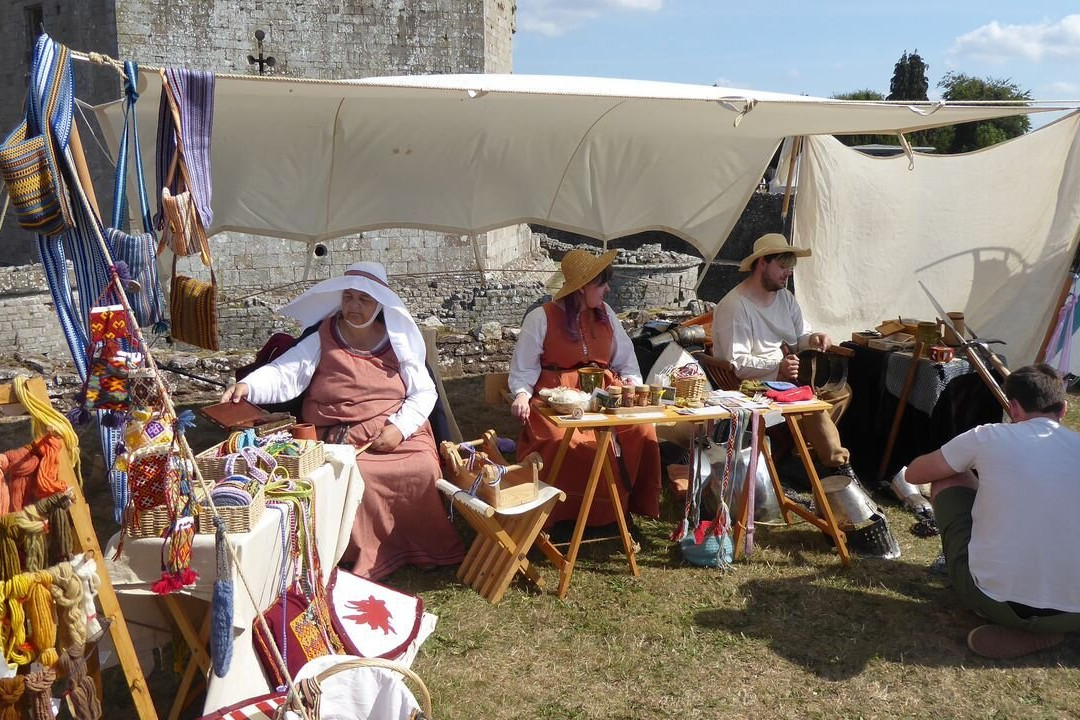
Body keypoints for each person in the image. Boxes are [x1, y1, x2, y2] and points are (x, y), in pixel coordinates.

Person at [221, 261, 464, 580]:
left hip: (397, 429)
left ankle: (424, 546)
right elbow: (286, 372)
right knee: (358, 476)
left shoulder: (398, 339)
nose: (354, 306)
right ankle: (368, 553)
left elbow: (423, 392)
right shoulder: (323, 336)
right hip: (343, 436)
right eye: (348, 297)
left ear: (380, 304)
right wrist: (249, 386)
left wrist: (399, 429)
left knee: (422, 468)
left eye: (364, 299)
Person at [906, 364, 1080, 659]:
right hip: (1074, 612)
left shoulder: (988, 437)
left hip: (995, 601)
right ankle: (1055, 626)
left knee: (947, 477)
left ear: (1014, 408)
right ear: (1063, 409)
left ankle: (1028, 626)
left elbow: (915, 474)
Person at [508, 248, 661, 528]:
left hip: (605, 393)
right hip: (557, 397)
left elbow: (625, 359)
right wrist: (520, 393)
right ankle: (564, 514)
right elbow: (524, 367)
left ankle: (624, 504)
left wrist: (631, 383)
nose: (607, 289)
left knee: (642, 429)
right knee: (565, 440)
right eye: (601, 284)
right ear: (582, 288)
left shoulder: (606, 314)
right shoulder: (541, 318)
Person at [711, 232, 856, 478]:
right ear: (762, 263)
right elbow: (736, 363)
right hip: (753, 386)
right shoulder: (735, 306)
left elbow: (800, 335)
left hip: (789, 379)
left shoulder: (785, 298)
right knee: (812, 406)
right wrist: (777, 367)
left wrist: (813, 338)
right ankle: (838, 467)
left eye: (790, 267)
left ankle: (800, 455)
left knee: (841, 392)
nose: (788, 273)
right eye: (782, 266)